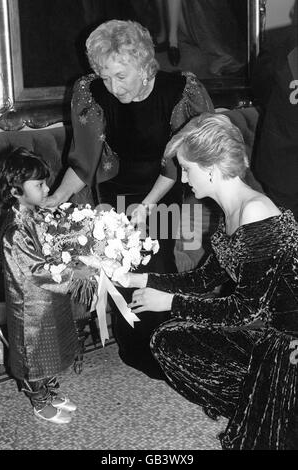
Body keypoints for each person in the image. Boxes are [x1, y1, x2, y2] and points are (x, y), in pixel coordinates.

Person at [117, 113, 298, 450]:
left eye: (187, 169)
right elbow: (203, 278)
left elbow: (245, 311)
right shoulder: (230, 210)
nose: (184, 179)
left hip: (287, 343)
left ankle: (264, 405)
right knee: (167, 341)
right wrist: (134, 277)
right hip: (267, 334)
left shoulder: (255, 211)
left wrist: (168, 302)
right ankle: (252, 404)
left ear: (211, 168)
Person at [44, 19, 214, 377]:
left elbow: (185, 159)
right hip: (114, 194)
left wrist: (149, 203)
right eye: (105, 76)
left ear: (144, 64)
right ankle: (134, 349)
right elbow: (84, 160)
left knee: (157, 268)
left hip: (163, 190)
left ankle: (166, 348)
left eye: (120, 75)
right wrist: (56, 196)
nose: (112, 86)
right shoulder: (93, 94)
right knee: (119, 270)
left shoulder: (179, 91)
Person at [0, 147, 81, 424]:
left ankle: (49, 389)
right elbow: (35, 269)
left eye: (45, 182)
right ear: (15, 191)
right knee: (34, 354)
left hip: (48, 299)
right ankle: (39, 400)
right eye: (39, 184)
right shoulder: (14, 229)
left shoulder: (33, 214)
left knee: (52, 346)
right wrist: (74, 274)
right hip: (30, 307)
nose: (46, 189)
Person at [252, 12, 298, 221]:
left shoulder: (279, 40)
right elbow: (261, 89)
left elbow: (261, 90)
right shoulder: (279, 42)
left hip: (281, 162)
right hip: (282, 165)